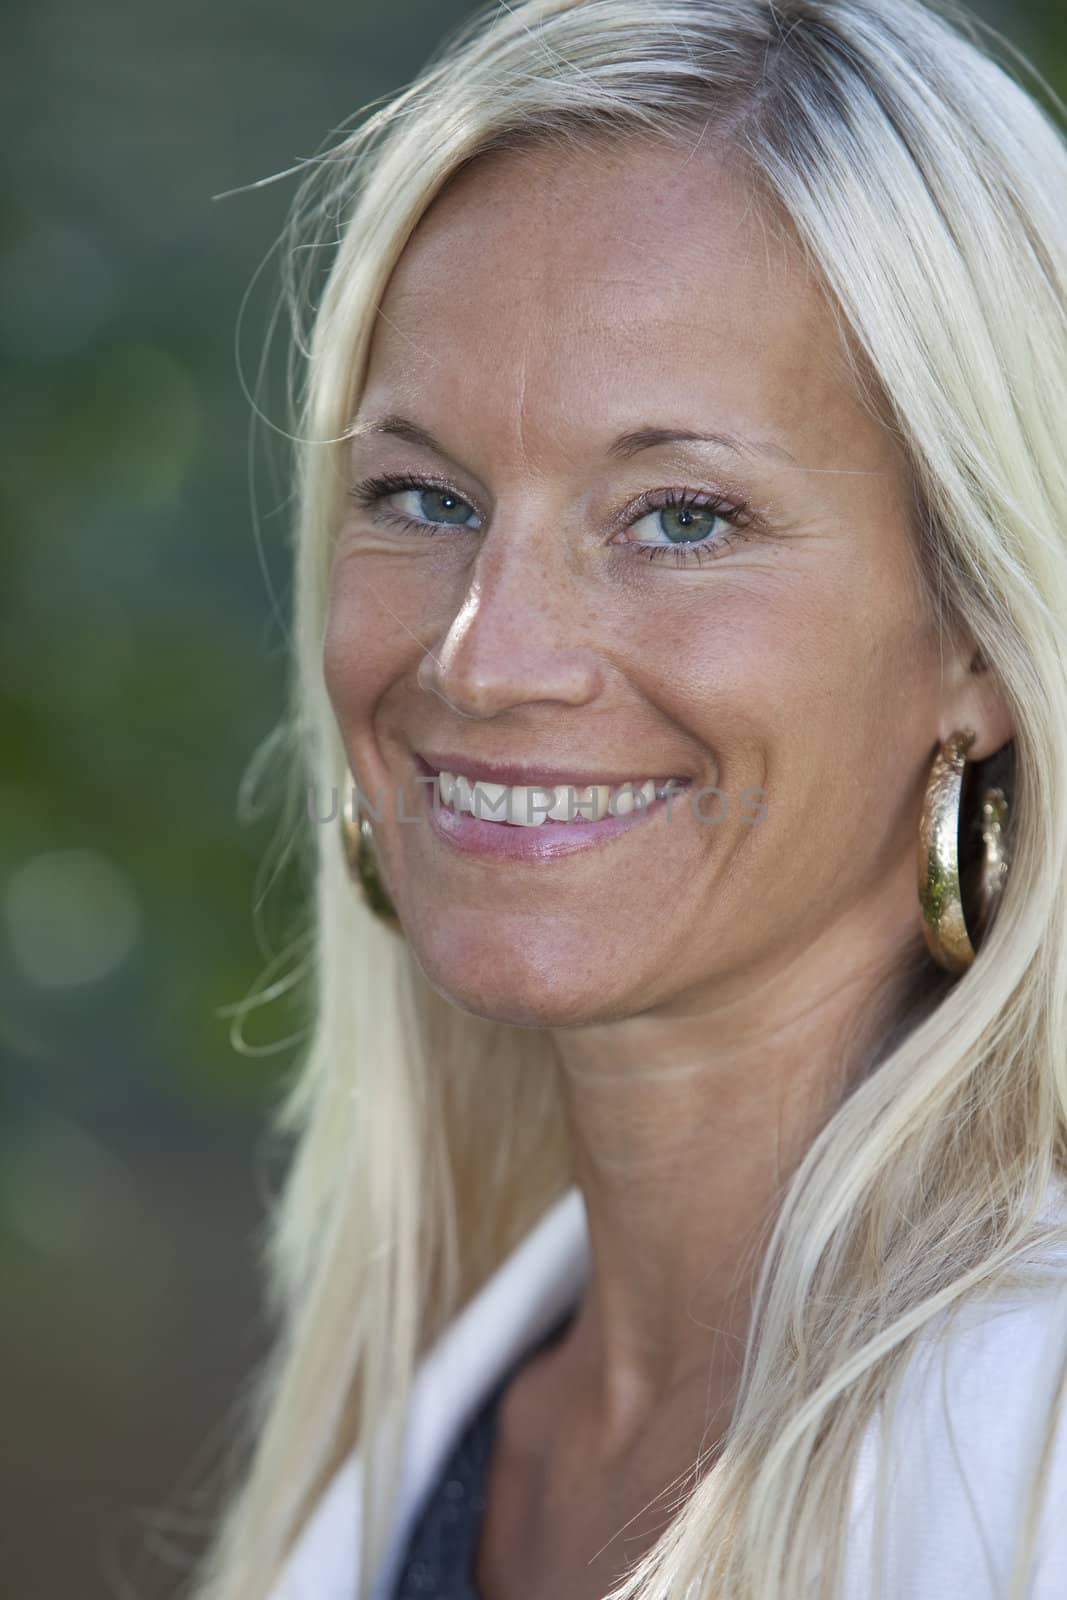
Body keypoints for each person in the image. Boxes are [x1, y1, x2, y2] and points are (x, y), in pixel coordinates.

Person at [190, 1, 1067, 1597]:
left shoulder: (1037, 1457)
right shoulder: (424, 1442)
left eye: (679, 517)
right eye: (423, 497)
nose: (488, 655)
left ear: (979, 635)